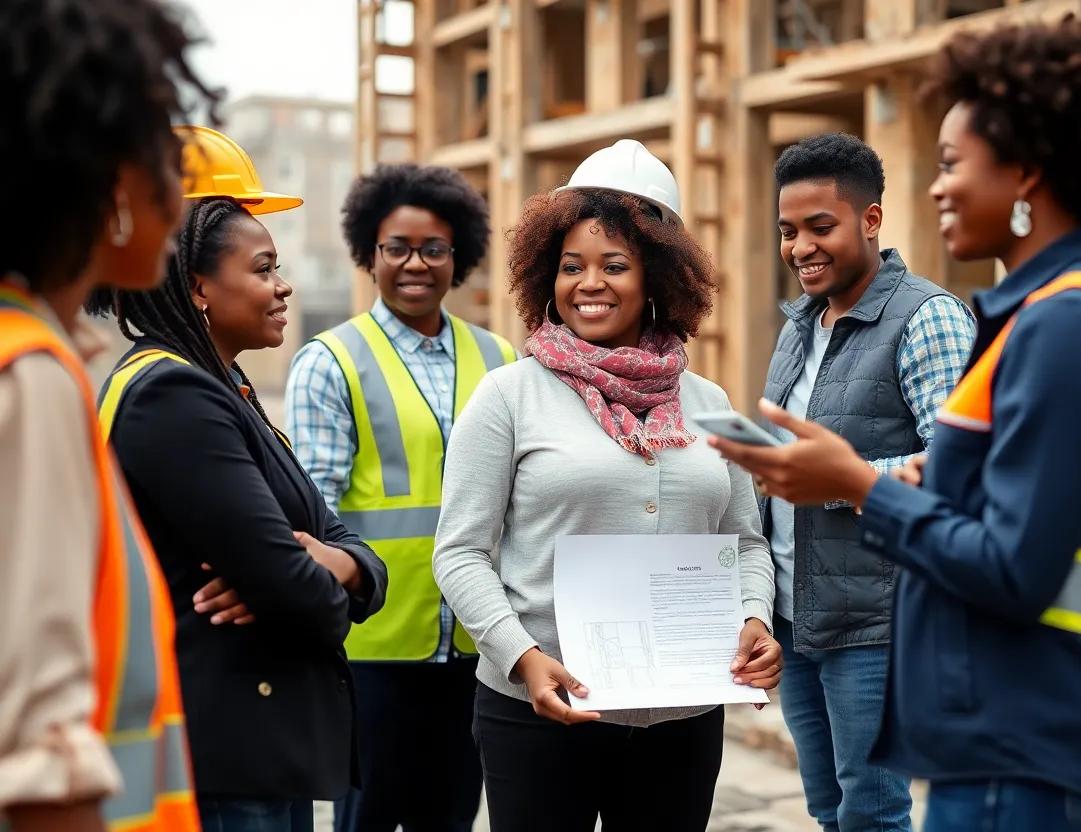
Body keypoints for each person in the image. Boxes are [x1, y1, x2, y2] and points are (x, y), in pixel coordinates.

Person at [709, 17, 1081, 831]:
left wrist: (859, 482)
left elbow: (1015, 566)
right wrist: (914, 477)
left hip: (1036, 732)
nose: (934, 189)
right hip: (1010, 725)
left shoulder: (1073, 325)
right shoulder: (1038, 318)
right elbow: (1010, 503)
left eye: (949, 165)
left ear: (1028, 173)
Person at [432, 139, 782, 832]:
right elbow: (459, 552)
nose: (589, 283)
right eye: (571, 267)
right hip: (542, 711)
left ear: (658, 274)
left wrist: (756, 618)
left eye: (614, 265)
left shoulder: (709, 403)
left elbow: (745, 543)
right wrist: (522, 658)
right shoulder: (507, 398)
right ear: (546, 275)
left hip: (682, 717)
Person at [87, 195, 389, 832]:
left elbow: (331, 537)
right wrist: (305, 581)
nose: (284, 287)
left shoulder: (226, 385)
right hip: (229, 752)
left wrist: (339, 564)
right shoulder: (173, 393)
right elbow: (299, 592)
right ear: (199, 287)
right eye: (263, 269)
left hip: (260, 745)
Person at [0, 1, 220, 830]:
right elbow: (40, 764)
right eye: (167, 148)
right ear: (110, 181)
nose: (181, 179)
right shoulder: (32, 379)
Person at [284, 163, 515, 832]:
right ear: (371, 253)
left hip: (477, 642)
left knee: (451, 816)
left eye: (433, 249)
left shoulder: (501, 359)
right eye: (397, 248)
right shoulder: (331, 360)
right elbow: (311, 511)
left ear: (459, 255)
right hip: (375, 645)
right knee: (369, 818)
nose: (415, 264)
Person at [757, 133, 976, 831]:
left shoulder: (927, 317)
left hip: (880, 622)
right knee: (829, 808)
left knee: (873, 813)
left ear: (871, 220)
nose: (800, 248)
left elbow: (959, 468)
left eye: (820, 227)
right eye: (788, 231)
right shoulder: (799, 327)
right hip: (797, 617)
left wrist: (832, 478)